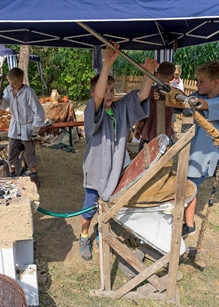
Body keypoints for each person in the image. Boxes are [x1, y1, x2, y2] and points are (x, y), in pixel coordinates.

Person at [79, 41, 159, 261]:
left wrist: (149, 73)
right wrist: (107, 64)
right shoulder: (91, 110)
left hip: (117, 169)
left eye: (112, 90)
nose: (108, 94)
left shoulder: (119, 108)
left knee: (112, 206)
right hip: (96, 170)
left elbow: (142, 95)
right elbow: (97, 97)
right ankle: (84, 234)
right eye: (105, 90)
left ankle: (104, 232)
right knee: (89, 209)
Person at [181, 60, 219, 237]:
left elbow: (200, 104)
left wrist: (184, 98)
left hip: (204, 155)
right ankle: (187, 222)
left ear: (216, 82)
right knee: (187, 185)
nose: (197, 85)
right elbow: (180, 105)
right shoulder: (197, 94)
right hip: (191, 152)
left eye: (201, 81)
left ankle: (188, 225)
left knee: (189, 186)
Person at [0, 67, 45, 188]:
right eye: (10, 83)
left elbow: (39, 112)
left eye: (14, 83)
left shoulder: (28, 92)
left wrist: (35, 128)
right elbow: (3, 106)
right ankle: (13, 175)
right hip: (15, 125)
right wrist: (0, 98)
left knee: (29, 152)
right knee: (12, 151)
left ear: (21, 81)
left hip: (27, 126)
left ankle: (34, 176)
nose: (11, 85)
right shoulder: (8, 89)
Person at [134, 61, 176, 152]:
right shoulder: (174, 96)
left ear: (156, 74)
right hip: (165, 139)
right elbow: (172, 120)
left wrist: (137, 128)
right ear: (172, 78)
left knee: (143, 164)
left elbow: (140, 114)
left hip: (148, 137)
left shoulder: (148, 92)